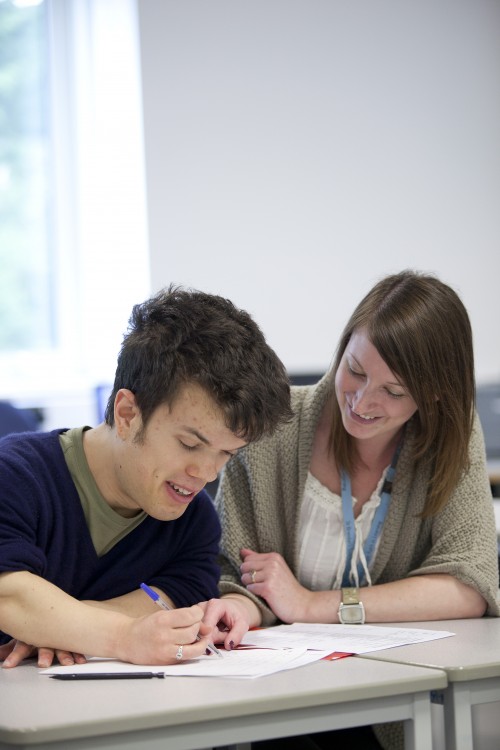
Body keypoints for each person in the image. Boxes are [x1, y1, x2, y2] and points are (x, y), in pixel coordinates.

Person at [212, 270, 500, 750]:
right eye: (357, 370)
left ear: (433, 394)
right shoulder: (269, 434)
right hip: (280, 698)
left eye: (394, 391)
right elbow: (234, 579)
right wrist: (238, 608)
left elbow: (470, 585)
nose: (363, 402)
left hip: (390, 699)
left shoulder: (453, 436)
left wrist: (309, 605)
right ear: (343, 346)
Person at [0, 284, 292, 669]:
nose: (205, 474)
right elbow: (9, 594)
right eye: (189, 444)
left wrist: (55, 628)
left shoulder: (193, 522)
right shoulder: (16, 476)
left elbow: (169, 600)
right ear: (127, 414)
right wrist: (118, 637)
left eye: (226, 454)